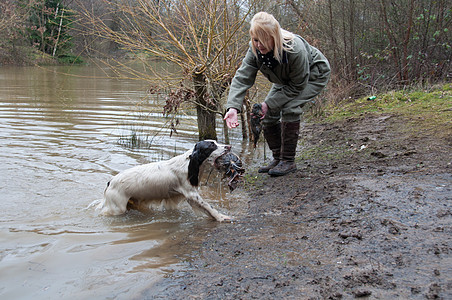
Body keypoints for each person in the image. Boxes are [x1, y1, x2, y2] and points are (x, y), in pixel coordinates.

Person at [224, 12, 331, 176]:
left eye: (263, 40)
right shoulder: (255, 50)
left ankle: (288, 161)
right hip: (286, 80)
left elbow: (297, 86)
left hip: (312, 75)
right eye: (255, 39)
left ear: (274, 36)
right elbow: (242, 77)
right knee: (266, 112)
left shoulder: (295, 50)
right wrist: (233, 107)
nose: (259, 45)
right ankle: (277, 158)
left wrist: (269, 104)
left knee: (290, 107)